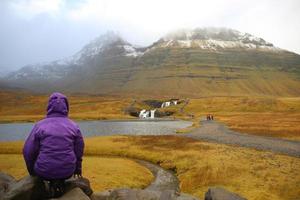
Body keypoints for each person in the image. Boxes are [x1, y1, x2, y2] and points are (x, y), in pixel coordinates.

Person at [23, 92, 84, 198]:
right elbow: (79, 149)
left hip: (42, 170)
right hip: (68, 170)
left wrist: (32, 171)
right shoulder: (74, 126)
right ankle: (60, 187)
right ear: (66, 107)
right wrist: (78, 168)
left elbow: (28, 151)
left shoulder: (40, 126)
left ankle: (49, 188)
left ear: (49, 106)